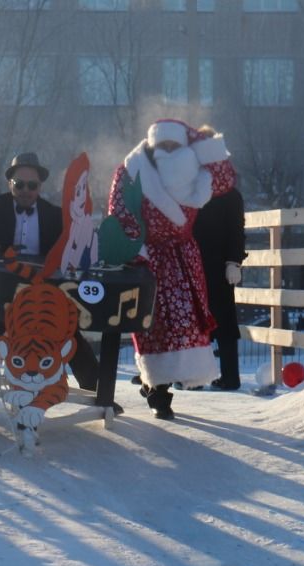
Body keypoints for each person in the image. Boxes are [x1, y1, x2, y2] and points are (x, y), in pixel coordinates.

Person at [108, 119, 236, 419]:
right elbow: (120, 211)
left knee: (184, 322)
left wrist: (200, 139)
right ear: (151, 147)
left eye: (173, 144)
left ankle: (167, 382)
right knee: (151, 323)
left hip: (182, 258)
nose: (167, 150)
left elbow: (224, 177)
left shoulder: (194, 175)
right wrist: (134, 248)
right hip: (147, 256)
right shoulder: (130, 171)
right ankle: (156, 389)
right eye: (161, 145)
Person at [0, 152, 100, 390]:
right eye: (20, 185)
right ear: (10, 184)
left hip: (43, 294)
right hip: (4, 292)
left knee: (71, 334)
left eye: (32, 185)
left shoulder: (53, 214)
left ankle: (98, 391)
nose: (26, 190)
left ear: (40, 186)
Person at [193, 167, 247, 391]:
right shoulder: (223, 193)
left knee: (214, 322)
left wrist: (234, 261)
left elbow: (236, 230)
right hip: (201, 262)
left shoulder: (225, 194)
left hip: (212, 264)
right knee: (202, 321)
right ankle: (211, 377)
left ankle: (211, 377)